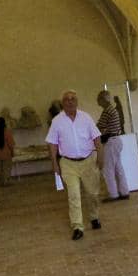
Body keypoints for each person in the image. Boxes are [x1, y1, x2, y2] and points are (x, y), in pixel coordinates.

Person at [46, 90, 102, 240]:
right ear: (62, 103)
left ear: (77, 102)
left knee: (92, 193)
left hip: (89, 161)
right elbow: (52, 144)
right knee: (74, 195)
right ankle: (77, 226)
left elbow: (96, 138)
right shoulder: (57, 121)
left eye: (72, 99)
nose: (70, 102)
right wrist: (54, 164)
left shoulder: (86, 118)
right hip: (68, 163)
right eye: (66, 100)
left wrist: (100, 157)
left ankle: (94, 216)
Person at [96, 90, 129, 202]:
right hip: (117, 140)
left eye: (99, 99)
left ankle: (113, 194)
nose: (98, 101)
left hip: (110, 142)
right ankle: (124, 192)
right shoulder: (113, 109)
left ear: (103, 99)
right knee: (118, 167)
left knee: (108, 169)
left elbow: (99, 126)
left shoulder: (107, 111)